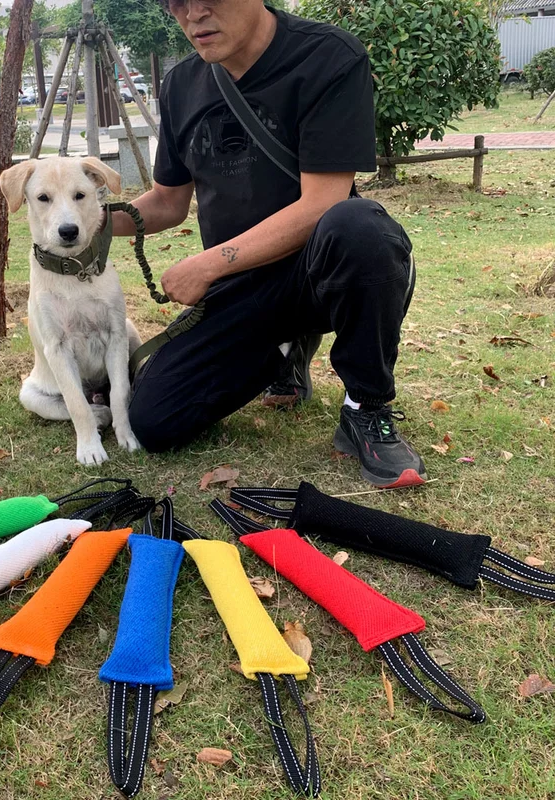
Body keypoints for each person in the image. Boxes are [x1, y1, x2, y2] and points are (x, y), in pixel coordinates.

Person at [111, 0, 425, 489]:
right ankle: (285, 349)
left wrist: (208, 264)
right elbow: (169, 203)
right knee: (154, 421)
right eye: (176, 2)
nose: (192, 14)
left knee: (360, 228)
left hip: (323, 273)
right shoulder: (180, 85)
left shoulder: (328, 57)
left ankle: (366, 406)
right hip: (243, 287)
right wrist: (84, 219)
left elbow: (322, 201)